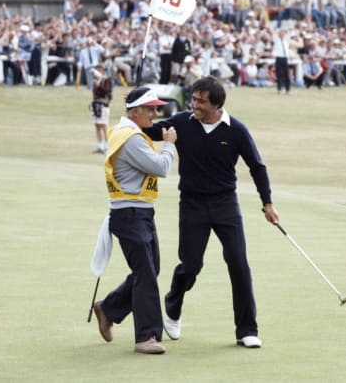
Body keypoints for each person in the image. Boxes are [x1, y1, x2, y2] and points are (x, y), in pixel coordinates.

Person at [143, 76, 280, 349]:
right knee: (191, 265)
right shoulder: (182, 122)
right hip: (192, 204)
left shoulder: (236, 130)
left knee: (238, 262)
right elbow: (148, 131)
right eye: (193, 99)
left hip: (225, 204)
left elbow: (257, 166)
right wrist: (132, 116)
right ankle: (173, 303)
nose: (194, 104)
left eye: (201, 101)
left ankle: (246, 329)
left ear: (217, 105)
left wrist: (267, 202)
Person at [92, 86, 178, 355]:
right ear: (135, 111)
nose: (156, 113)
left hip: (138, 212)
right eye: (151, 109)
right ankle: (146, 337)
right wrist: (170, 146)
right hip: (130, 214)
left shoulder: (128, 133)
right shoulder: (131, 138)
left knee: (150, 269)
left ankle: (108, 308)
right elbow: (162, 168)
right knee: (146, 274)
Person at [90, 65, 113, 154]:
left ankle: (107, 147)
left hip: (104, 105)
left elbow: (106, 91)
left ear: (103, 71)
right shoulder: (95, 80)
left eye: (100, 70)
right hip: (96, 104)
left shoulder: (107, 80)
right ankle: (100, 146)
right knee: (97, 125)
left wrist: (99, 85)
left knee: (104, 125)